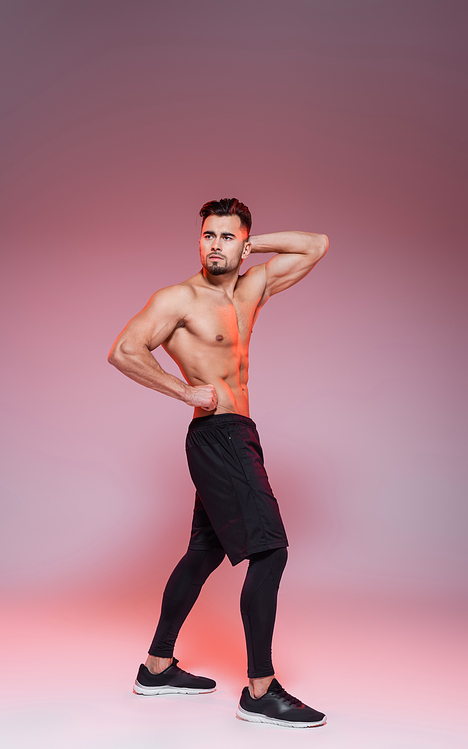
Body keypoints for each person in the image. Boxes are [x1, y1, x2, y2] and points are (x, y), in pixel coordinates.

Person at [108, 198, 328, 728]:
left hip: (240, 433)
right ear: (199, 239)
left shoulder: (252, 289)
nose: (215, 244)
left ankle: (156, 668)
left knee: (203, 551)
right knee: (270, 550)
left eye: (227, 237)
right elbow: (124, 351)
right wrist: (186, 391)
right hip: (217, 433)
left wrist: (259, 243)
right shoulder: (179, 299)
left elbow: (315, 245)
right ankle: (261, 689)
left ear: (243, 242)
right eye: (208, 235)